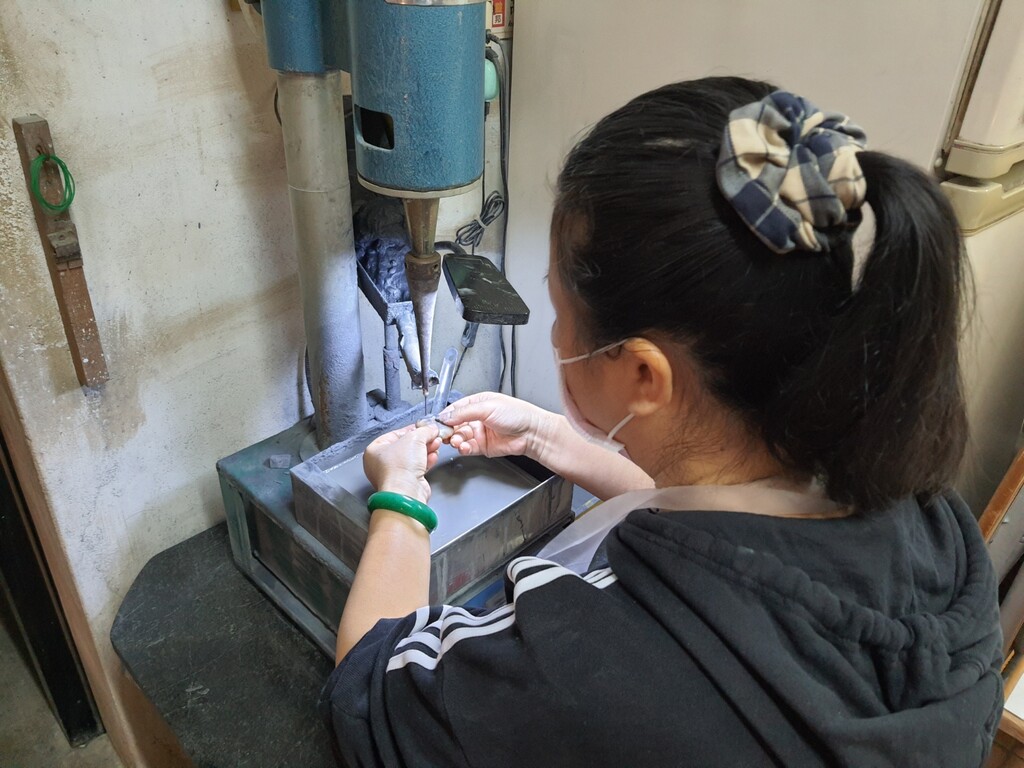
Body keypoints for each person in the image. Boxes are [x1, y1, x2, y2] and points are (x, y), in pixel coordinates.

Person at [320, 77, 1003, 767]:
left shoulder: (587, 673)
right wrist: (544, 437)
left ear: (646, 377)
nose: (556, 335)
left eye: (561, 311)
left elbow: (370, 693)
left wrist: (400, 497)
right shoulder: (923, 514)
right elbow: (729, 533)